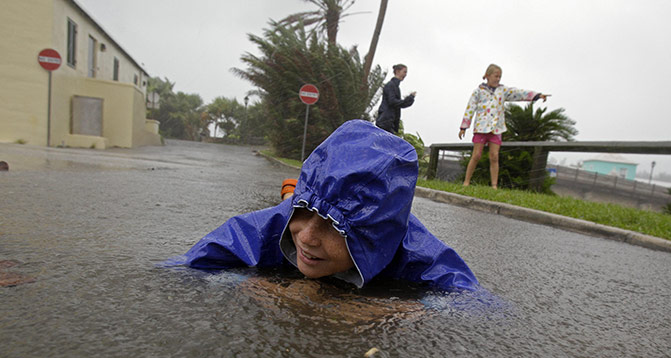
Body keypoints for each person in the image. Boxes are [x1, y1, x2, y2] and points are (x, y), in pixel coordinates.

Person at [167, 119, 479, 292]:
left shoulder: (412, 247)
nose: (306, 237)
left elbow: (474, 303)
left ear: (372, 236)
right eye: (305, 209)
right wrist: (259, 286)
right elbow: (186, 267)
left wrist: (395, 310)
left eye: (334, 224)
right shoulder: (271, 225)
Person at [459, 63, 549, 189]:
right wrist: (464, 126)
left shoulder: (502, 91)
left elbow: (518, 93)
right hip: (481, 127)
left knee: (494, 156)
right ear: (487, 76)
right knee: (476, 155)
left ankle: (494, 185)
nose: (497, 79)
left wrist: (537, 95)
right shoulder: (478, 92)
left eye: (499, 77)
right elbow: (470, 108)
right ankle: (466, 182)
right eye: (496, 76)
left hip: (496, 128)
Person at [375, 64, 416, 134]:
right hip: (386, 121)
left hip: (390, 122)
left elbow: (398, 103)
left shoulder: (395, 87)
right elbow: (392, 102)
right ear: (397, 71)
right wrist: (408, 99)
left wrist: (410, 99)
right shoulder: (391, 85)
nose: (405, 74)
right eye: (404, 72)